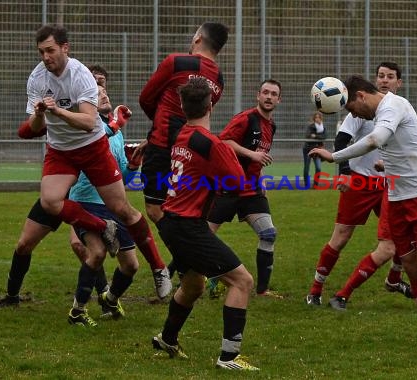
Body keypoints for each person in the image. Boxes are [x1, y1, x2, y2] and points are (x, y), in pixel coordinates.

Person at [310, 75, 417, 353]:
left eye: (352, 108)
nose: (353, 115)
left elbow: (377, 139)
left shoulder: (394, 104)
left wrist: (335, 157)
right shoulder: (378, 113)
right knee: (412, 267)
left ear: (361, 96)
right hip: (397, 196)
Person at [26, 24, 171, 298]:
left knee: (123, 208)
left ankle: (159, 268)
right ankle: (105, 228)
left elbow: (88, 122)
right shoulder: (36, 78)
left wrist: (56, 110)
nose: (45, 57)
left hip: (91, 147)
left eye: (50, 50)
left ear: (65, 48)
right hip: (60, 151)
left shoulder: (81, 75)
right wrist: (39, 113)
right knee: (49, 201)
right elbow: (34, 127)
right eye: (41, 52)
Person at [0, 68, 137, 308]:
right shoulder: (71, 114)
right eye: (94, 82)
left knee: (84, 247)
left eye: (102, 83)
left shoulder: (112, 129)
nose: (99, 88)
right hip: (59, 191)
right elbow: (28, 130)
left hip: (84, 199)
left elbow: (119, 174)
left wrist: (131, 164)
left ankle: (103, 296)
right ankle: (12, 296)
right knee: (24, 244)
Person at [325, 84, 417, 310]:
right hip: (399, 191)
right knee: (389, 249)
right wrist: (386, 164)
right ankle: (343, 294)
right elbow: (385, 142)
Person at [151, 77, 259, 371]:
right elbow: (237, 184)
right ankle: (229, 357)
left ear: (184, 107)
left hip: (171, 221)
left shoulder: (184, 134)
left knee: (194, 284)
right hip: (188, 226)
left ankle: (168, 339)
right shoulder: (212, 143)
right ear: (211, 105)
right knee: (242, 281)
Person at [306, 62, 406, 307]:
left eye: (390, 77)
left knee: (401, 235)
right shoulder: (362, 110)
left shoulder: (398, 109)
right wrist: (345, 172)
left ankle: (394, 279)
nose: (384, 80)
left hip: (389, 184)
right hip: (360, 182)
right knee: (341, 237)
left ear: (399, 83)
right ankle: (316, 289)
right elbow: (341, 139)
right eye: (380, 76)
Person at [67, 84, 143, 326]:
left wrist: (132, 166)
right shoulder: (85, 127)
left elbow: (120, 179)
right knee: (97, 252)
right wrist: (115, 125)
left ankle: (109, 299)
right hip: (86, 202)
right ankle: (77, 311)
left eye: (104, 91)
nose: (104, 94)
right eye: (96, 93)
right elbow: (96, 138)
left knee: (131, 266)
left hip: (113, 204)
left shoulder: (116, 132)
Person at [139, 22, 229, 225]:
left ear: (197, 38)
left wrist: (157, 129)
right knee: (185, 210)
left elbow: (145, 99)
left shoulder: (176, 62)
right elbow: (202, 116)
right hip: (193, 153)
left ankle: (188, 251)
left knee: (155, 209)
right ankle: (189, 252)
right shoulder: (219, 79)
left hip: (162, 147)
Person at [207, 79, 282, 297]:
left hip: (251, 190)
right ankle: (180, 274)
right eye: (265, 92)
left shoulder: (271, 125)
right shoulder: (246, 119)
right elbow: (224, 142)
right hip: (228, 188)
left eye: (273, 94)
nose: (269, 97)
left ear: (279, 99)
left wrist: (261, 177)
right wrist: (251, 154)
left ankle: (262, 290)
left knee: (268, 233)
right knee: (203, 235)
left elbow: (260, 156)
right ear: (258, 95)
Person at [302, 112, 327, 188]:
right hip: (308, 149)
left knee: (318, 168)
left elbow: (324, 136)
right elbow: (308, 135)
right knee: (307, 167)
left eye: (319, 117)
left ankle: (315, 185)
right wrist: (318, 137)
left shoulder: (323, 127)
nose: (317, 119)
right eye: (316, 117)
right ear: (314, 119)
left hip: (317, 150)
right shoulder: (310, 126)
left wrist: (315, 136)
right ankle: (307, 185)